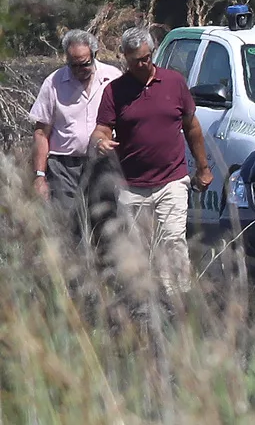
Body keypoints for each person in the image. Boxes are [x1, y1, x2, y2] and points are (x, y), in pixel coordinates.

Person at [93, 27, 213, 295]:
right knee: (138, 247)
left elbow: (192, 127)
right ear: (124, 58)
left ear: (153, 53)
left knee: (173, 240)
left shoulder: (174, 82)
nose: (142, 64)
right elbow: (101, 128)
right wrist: (100, 141)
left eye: (146, 58)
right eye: (136, 60)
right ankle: (144, 298)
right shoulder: (115, 91)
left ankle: (180, 297)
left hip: (172, 180)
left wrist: (203, 168)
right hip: (131, 185)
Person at [29, 29, 121, 228]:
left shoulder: (113, 78)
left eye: (85, 64)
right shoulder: (53, 83)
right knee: (67, 225)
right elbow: (41, 132)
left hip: (103, 164)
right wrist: (39, 176)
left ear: (94, 55)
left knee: (105, 224)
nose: (80, 69)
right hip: (64, 166)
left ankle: (100, 260)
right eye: (74, 65)